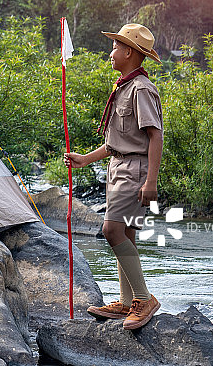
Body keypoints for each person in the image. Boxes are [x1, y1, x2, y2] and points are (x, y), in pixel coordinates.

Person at [64, 23, 163, 330]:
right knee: (127, 233)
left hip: (134, 171)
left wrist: (151, 182)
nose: (112, 52)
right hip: (118, 169)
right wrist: (84, 160)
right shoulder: (124, 86)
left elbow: (155, 137)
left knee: (111, 231)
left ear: (130, 52)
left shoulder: (142, 90)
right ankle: (126, 299)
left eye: (117, 47)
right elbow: (113, 143)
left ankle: (144, 299)